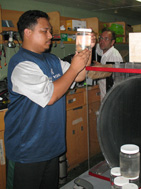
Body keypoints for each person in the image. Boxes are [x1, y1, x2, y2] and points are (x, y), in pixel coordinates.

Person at [4, 10, 96, 189]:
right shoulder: (21, 64)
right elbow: (51, 96)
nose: (50, 35)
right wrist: (73, 68)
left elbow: (79, 75)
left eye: (50, 31)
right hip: (27, 152)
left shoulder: (52, 59)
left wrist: (86, 49)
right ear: (27, 33)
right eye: (44, 31)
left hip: (51, 147)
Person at [94, 28, 123, 100]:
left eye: (106, 39)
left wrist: (100, 67)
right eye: (101, 38)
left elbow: (117, 79)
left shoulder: (114, 55)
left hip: (113, 97)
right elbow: (97, 47)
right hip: (104, 94)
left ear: (112, 42)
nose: (102, 41)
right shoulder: (103, 51)